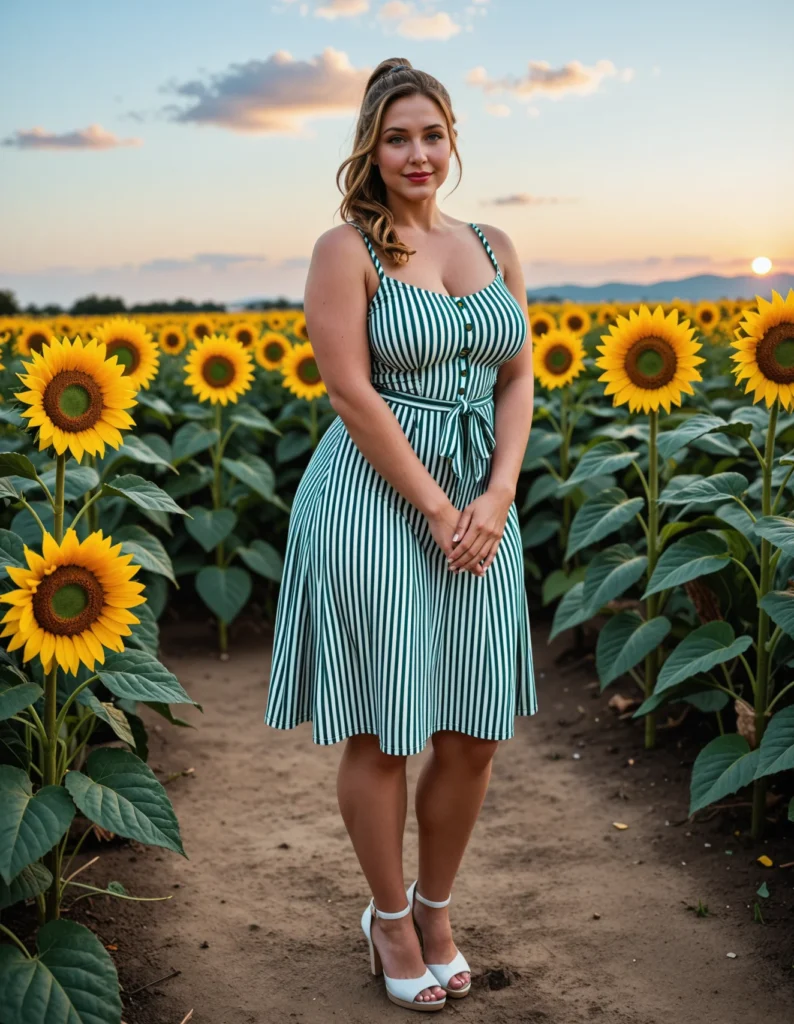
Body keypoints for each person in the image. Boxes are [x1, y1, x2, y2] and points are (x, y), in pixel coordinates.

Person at [264, 56, 538, 1012]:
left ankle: (436, 905)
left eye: (430, 134)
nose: (416, 153)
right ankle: (387, 918)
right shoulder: (348, 250)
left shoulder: (496, 245)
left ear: (452, 138)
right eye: (396, 137)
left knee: (474, 728)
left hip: (480, 503)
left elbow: (516, 377)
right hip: (374, 502)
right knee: (389, 725)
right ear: (369, 149)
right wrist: (432, 503)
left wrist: (499, 492)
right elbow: (348, 389)